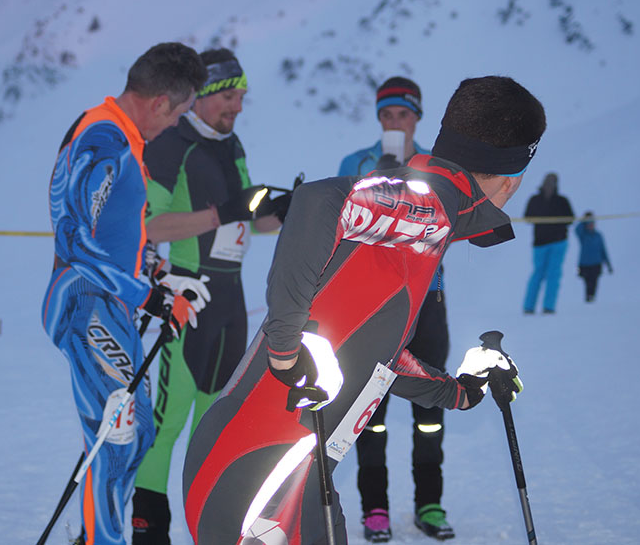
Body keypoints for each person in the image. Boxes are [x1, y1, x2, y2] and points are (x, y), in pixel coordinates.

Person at [182, 75, 545, 545]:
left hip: (285, 471)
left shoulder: (428, 218)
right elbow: (317, 200)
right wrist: (286, 349)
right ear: (512, 178)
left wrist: (459, 392)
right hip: (259, 477)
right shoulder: (430, 208)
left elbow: (377, 358)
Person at [40, 42, 209, 545]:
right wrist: (145, 295)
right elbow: (73, 239)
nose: (175, 124)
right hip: (86, 303)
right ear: (159, 102)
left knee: (136, 437)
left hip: (109, 304)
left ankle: (94, 534)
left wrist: (159, 279)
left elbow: (117, 236)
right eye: (178, 113)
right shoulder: (104, 138)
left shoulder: (122, 137)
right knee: (115, 442)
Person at [132, 48, 290, 545]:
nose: (238, 107)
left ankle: (212, 532)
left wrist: (286, 210)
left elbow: (250, 217)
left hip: (230, 302)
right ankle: (149, 533)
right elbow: (148, 226)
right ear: (201, 95)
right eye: (229, 96)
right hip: (189, 296)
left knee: (216, 428)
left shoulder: (231, 143)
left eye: (242, 97)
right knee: (168, 423)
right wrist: (223, 213)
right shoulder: (172, 142)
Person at [337, 76, 454, 542]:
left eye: (402, 114)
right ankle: (375, 510)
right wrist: (378, 181)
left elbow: (447, 228)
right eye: (386, 115)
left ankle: (430, 504)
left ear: (417, 117)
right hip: (374, 303)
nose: (394, 122)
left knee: (430, 406)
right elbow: (344, 229)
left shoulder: (436, 169)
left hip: (427, 300)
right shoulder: (355, 164)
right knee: (371, 411)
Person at [522, 172, 574, 314]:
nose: (549, 184)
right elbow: (527, 217)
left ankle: (548, 307)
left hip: (558, 242)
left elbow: (570, 219)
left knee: (554, 274)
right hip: (540, 243)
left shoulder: (562, 201)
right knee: (538, 273)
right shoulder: (535, 200)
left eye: (552, 182)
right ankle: (528, 307)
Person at [575, 211, 612, 302]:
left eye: (592, 223)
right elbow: (577, 229)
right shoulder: (583, 235)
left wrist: (608, 264)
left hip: (596, 264)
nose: (591, 225)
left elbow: (603, 250)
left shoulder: (598, 235)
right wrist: (583, 220)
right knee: (587, 283)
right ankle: (588, 298)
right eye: (589, 223)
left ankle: (592, 299)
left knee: (594, 282)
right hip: (585, 264)